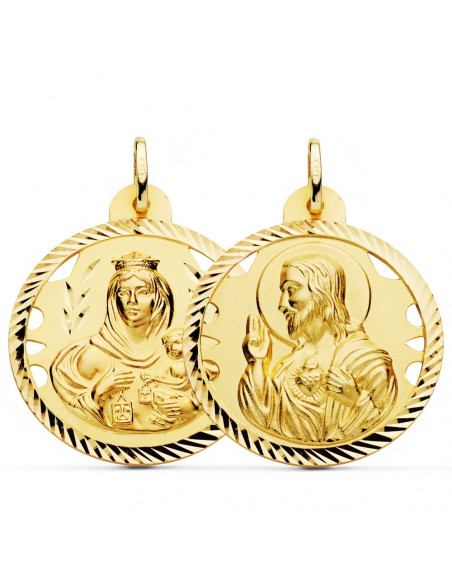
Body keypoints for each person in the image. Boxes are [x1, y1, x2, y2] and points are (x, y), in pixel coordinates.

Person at [239, 254, 397, 442]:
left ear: (322, 292)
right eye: (283, 291)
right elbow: (261, 421)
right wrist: (256, 362)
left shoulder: (366, 360)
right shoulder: (287, 365)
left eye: (291, 290)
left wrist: (355, 398)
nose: (281, 304)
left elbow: (385, 425)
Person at [51, 252, 198, 431]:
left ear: (160, 298)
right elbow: (73, 411)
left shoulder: (179, 350)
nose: (132, 300)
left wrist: (191, 407)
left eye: (143, 292)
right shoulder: (90, 356)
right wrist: (98, 393)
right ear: (113, 300)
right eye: (123, 292)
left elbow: (207, 393)